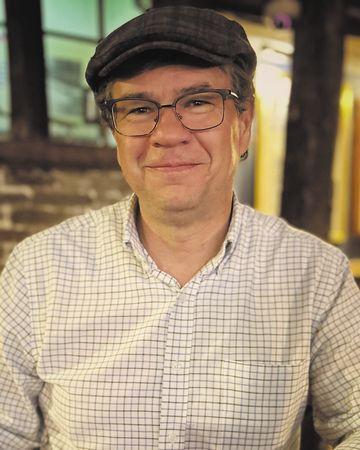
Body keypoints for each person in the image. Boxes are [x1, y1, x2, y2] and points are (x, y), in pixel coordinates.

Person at [0, 5, 359, 449]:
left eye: (197, 102)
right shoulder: (39, 270)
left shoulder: (316, 275)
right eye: (137, 108)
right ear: (116, 133)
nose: (167, 133)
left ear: (243, 126)